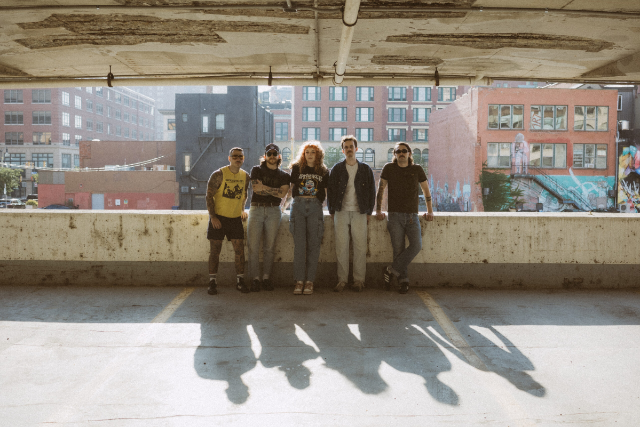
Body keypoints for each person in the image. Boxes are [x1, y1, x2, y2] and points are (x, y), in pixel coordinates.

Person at [376, 142, 434, 294]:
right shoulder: (389, 168)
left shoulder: (417, 169)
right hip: (394, 215)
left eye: (404, 151)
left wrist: (430, 211)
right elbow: (381, 189)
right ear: (394, 154)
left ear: (409, 153)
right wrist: (378, 210)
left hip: (412, 216)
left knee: (416, 245)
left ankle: (390, 270)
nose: (401, 153)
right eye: (398, 151)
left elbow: (426, 190)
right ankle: (403, 281)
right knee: (398, 250)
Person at [327, 135, 376, 292]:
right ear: (343, 150)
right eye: (346, 147)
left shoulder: (365, 169)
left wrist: (369, 212)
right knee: (341, 247)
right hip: (341, 211)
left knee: (360, 247)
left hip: (360, 211)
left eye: (351, 147)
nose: (349, 149)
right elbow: (331, 191)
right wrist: (332, 211)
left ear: (356, 149)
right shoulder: (337, 169)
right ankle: (342, 280)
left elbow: (372, 192)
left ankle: (359, 280)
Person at [285, 141, 329, 295]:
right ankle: (299, 281)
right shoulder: (297, 168)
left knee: (314, 246)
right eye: (307, 152)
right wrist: (283, 207)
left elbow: (325, 192)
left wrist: (323, 206)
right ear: (303, 154)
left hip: (315, 207)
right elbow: (291, 190)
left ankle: (309, 281)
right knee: (299, 246)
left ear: (318, 155)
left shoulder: (323, 170)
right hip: (298, 206)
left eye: (313, 152)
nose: (310, 155)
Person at [205, 147, 250, 295]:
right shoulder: (219, 174)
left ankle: (240, 281)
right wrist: (213, 217)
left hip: (235, 219)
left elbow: (244, 194)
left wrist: (242, 210)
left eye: (240, 156)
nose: (238, 159)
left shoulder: (245, 176)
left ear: (243, 159)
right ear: (229, 158)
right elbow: (209, 196)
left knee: (240, 251)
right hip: (219, 218)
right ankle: (212, 282)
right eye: (235, 156)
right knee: (215, 251)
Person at [247, 144, 291, 292]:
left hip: (274, 211)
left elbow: (282, 194)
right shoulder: (256, 170)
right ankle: (255, 279)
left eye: (274, 154)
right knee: (253, 247)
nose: (272, 156)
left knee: (269, 247)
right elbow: (256, 189)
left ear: (279, 156)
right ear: (265, 156)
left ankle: (266, 278)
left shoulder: (285, 175)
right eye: (269, 153)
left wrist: (264, 188)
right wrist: (275, 190)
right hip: (256, 209)